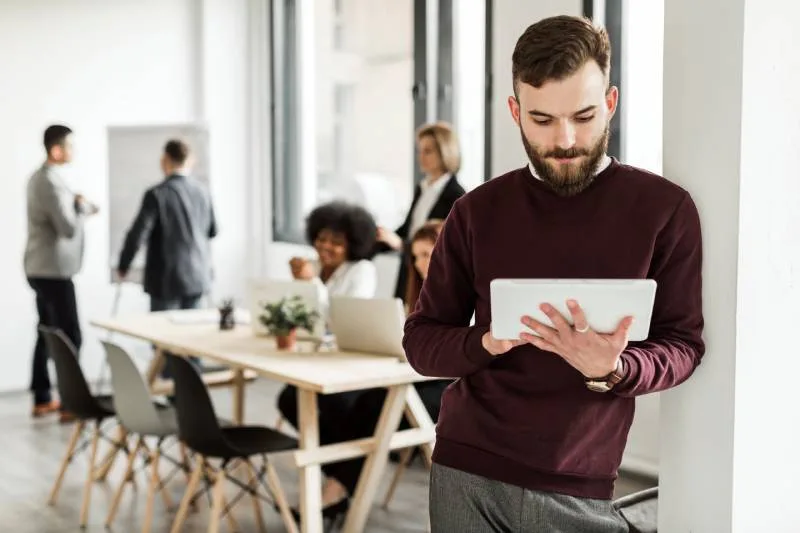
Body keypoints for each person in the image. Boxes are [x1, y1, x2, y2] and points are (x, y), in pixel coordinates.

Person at [403, 15, 704, 532]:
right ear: (515, 111)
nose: (565, 140)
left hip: (578, 484)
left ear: (610, 102)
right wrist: (486, 342)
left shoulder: (664, 209)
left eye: (583, 116)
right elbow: (422, 342)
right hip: (465, 470)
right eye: (542, 120)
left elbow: (684, 345)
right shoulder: (475, 212)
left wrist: (615, 369)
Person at [302, 220, 451, 523]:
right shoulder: (420, 293)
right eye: (416, 256)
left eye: (428, 254)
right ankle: (341, 480)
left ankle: (336, 489)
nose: (421, 263)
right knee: (347, 402)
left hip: (448, 384)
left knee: (373, 406)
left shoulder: (467, 291)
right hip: (412, 374)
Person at [276, 202, 379, 493]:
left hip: (351, 360)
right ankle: (341, 473)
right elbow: (302, 315)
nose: (326, 247)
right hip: (317, 359)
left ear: (352, 244)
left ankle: (340, 480)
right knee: (289, 399)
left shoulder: (361, 270)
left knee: (337, 406)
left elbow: (338, 318)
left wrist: (311, 283)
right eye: (322, 239)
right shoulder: (315, 266)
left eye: (336, 242)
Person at [25, 124, 100, 420]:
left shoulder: (47, 179)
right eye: (70, 145)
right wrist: (80, 208)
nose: (73, 151)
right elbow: (67, 227)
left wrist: (78, 204)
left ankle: (42, 397)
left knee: (47, 332)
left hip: (43, 268)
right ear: (57, 149)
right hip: (52, 271)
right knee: (70, 336)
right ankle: (70, 403)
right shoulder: (49, 183)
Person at [116, 139, 217, 312]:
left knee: (162, 334)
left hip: (166, 280)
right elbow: (213, 231)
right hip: (197, 277)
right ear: (189, 161)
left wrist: (123, 265)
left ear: (165, 160)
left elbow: (137, 235)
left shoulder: (157, 194)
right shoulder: (203, 192)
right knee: (190, 335)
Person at [375, 122, 465, 302]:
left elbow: (440, 244)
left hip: (431, 276)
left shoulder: (457, 196)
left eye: (428, 151)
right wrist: (381, 237)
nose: (421, 157)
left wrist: (400, 244)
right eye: (420, 150)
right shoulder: (422, 189)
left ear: (445, 152)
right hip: (409, 272)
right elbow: (410, 229)